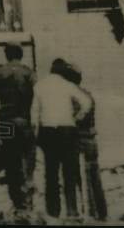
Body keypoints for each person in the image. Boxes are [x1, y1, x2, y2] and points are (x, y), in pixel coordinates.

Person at [32, 57, 92, 218]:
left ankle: (53, 211)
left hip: (48, 131)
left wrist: (36, 134)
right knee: (69, 172)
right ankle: (72, 210)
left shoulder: (39, 85)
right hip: (67, 130)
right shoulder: (67, 85)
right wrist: (77, 117)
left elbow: (34, 113)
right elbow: (86, 102)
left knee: (51, 172)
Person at [0, 43, 36, 209]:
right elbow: (36, 95)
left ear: (6, 55)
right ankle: (28, 200)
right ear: (20, 55)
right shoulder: (28, 73)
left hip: (6, 121)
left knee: (11, 163)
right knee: (27, 162)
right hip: (25, 121)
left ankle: (17, 203)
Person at [59, 62, 107, 221]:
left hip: (77, 141)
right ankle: (100, 213)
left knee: (75, 178)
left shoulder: (71, 98)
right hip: (91, 140)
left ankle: (83, 214)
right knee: (94, 177)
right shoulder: (87, 95)